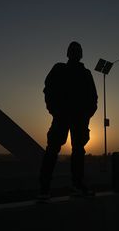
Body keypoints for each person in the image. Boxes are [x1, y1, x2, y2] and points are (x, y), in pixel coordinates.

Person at [38, 41, 98, 201]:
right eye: (73, 50)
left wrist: (86, 116)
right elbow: (48, 89)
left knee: (77, 151)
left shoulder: (86, 74)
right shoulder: (59, 69)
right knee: (53, 150)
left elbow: (93, 98)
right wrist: (54, 110)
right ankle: (44, 188)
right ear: (69, 53)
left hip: (78, 119)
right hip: (62, 116)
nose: (75, 53)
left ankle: (76, 185)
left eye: (77, 50)